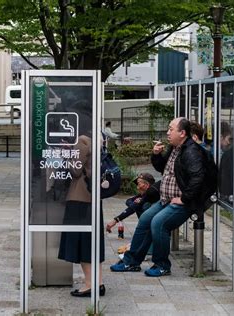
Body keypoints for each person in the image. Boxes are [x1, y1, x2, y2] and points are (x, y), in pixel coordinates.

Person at [110, 117, 215, 277]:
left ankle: (162, 265)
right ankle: (131, 261)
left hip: (184, 203)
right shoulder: (175, 147)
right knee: (145, 219)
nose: (167, 132)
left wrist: (184, 199)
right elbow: (161, 168)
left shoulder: (191, 151)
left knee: (158, 223)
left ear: (182, 133)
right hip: (167, 199)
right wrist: (156, 155)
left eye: (171, 129)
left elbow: (197, 178)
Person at [58, 133, 105, 297]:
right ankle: (98, 283)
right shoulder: (97, 139)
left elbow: (76, 170)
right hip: (93, 197)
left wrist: (66, 154)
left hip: (80, 197)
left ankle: (89, 284)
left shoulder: (82, 141)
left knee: (82, 241)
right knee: (93, 241)